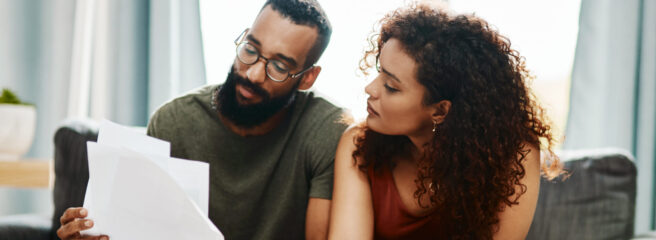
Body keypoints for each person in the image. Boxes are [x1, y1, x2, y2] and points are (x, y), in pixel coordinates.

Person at [56, 1, 347, 239]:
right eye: (250, 50)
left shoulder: (326, 130)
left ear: (307, 77)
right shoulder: (174, 122)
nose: (252, 74)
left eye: (279, 67)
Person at [328, 4, 563, 240]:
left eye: (391, 86)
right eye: (379, 71)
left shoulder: (514, 156)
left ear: (440, 111)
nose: (370, 89)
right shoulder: (359, 143)